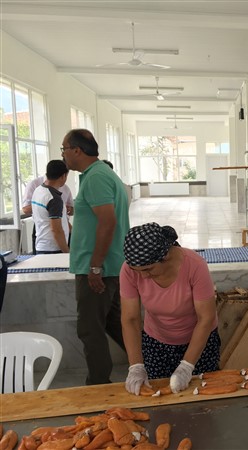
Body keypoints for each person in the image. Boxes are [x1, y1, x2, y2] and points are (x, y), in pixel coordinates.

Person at [61, 128, 130, 385]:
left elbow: (108, 222)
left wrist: (95, 267)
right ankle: (155, 364)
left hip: (99, 267)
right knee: (116, 324)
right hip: (108, 264)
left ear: (77, 150)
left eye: (64, 149)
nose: (63, 155)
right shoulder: (99, 174)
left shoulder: (96, 177)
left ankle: (98, 385)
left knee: (90, 329)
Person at [120, 223, 220, 394]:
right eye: (137, 271)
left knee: (199, 394)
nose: (143, 276)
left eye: (148, 269)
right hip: (156, 344)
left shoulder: (195, 265)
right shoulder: (129, 271)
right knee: (159, 394)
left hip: (199, 342)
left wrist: (187, 366)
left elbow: (206, 318)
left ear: (165, 256)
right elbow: (130, 319)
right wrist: (136, 366)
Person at [21, 162, 74, 254]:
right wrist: (66, 252)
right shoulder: (54, 198)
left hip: (41, 245)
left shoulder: (39, 190)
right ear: (63, 176)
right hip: (53, 248)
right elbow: (56, 230)